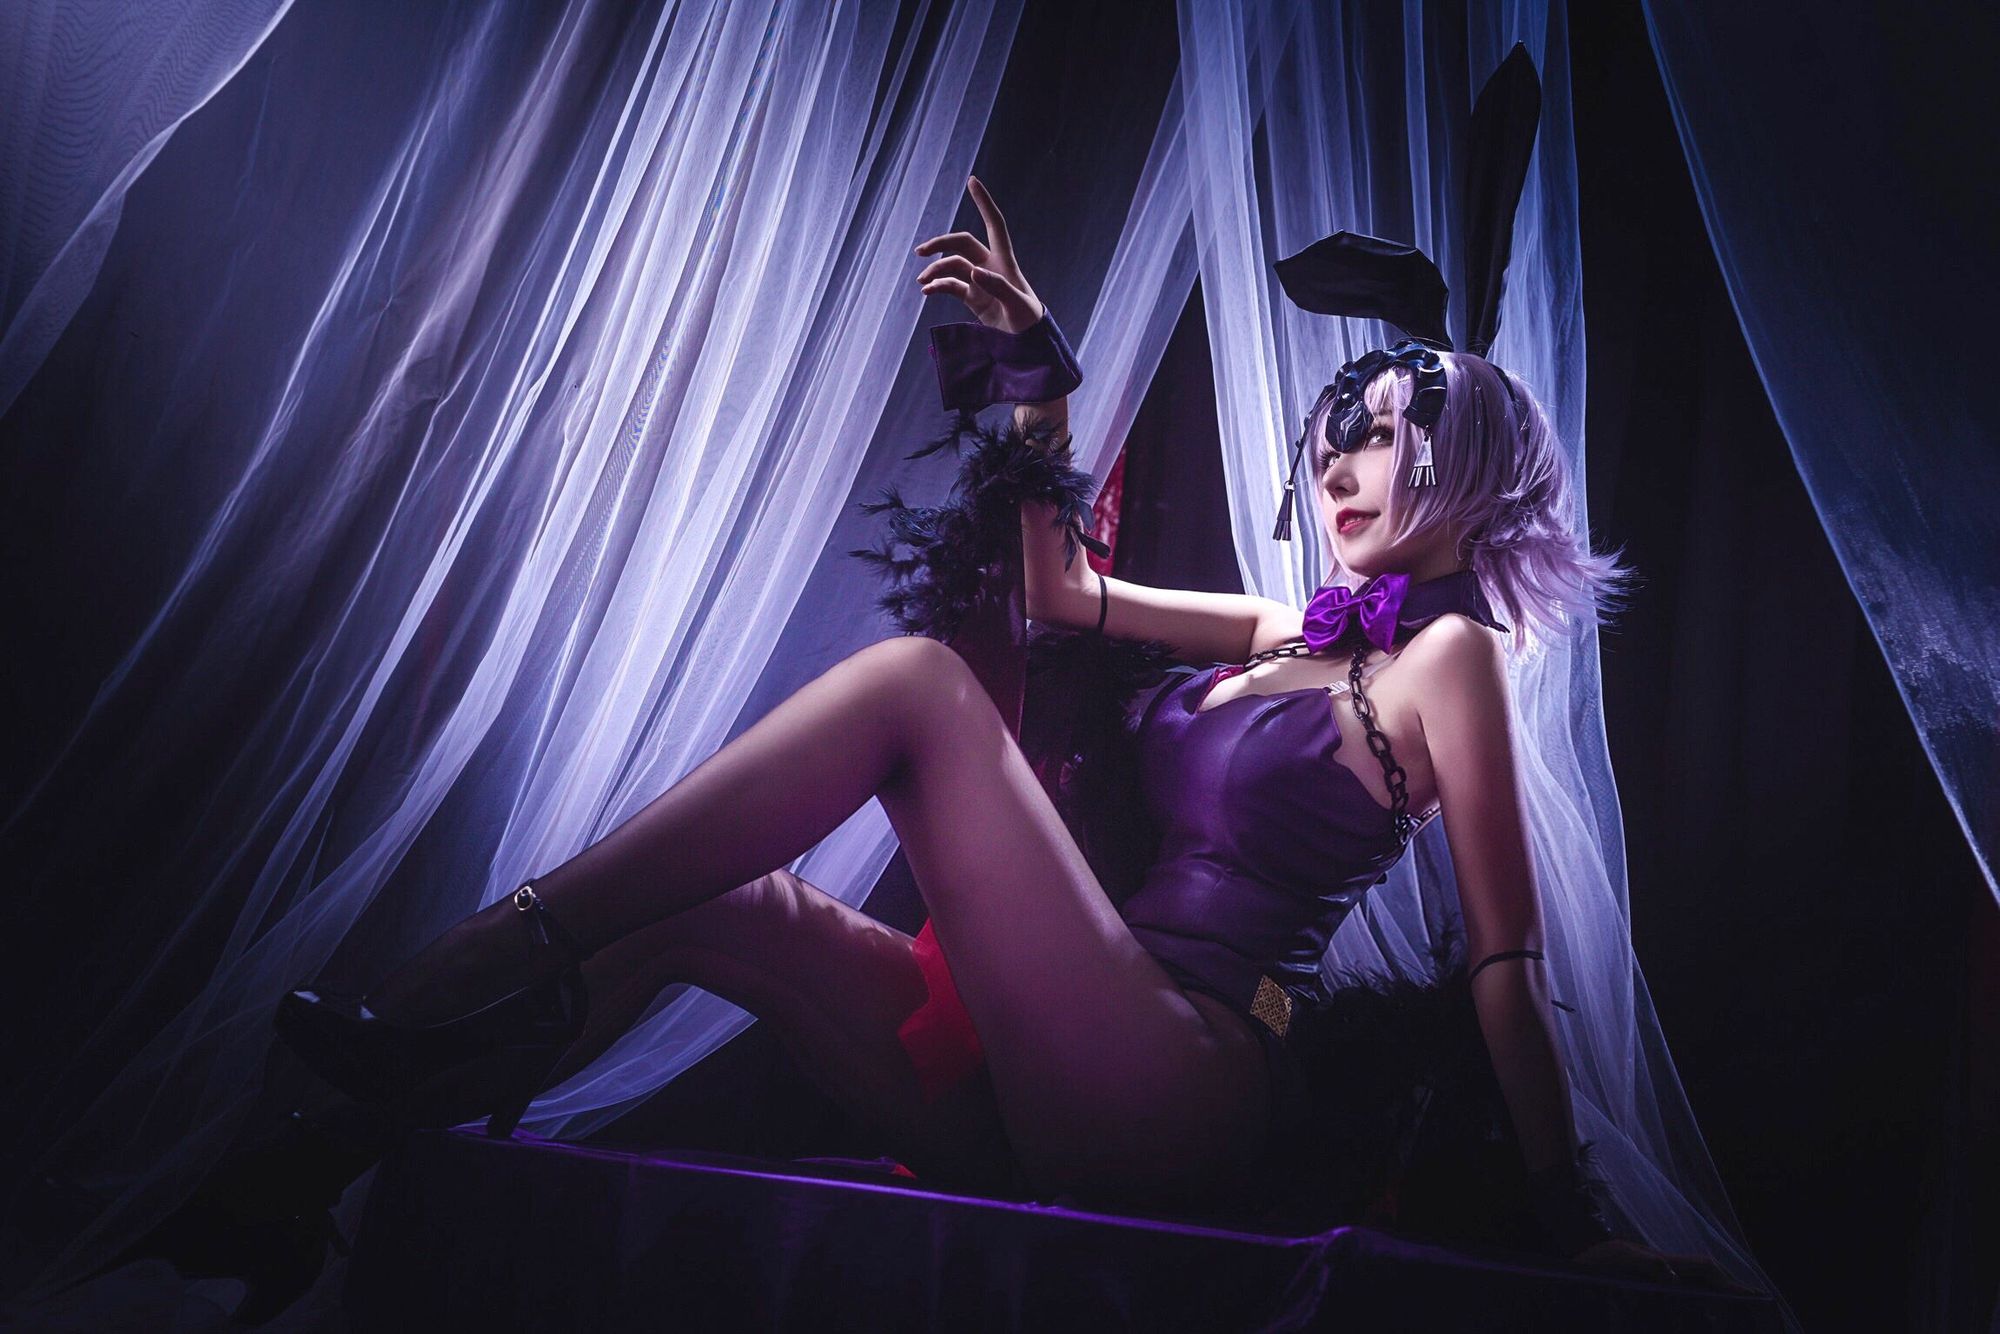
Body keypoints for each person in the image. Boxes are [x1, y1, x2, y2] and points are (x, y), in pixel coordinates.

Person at [271, 176, 1732, 1292]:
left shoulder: (1449, 659)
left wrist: (1574, 1220)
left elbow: (1505, 961)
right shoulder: (1288, 627)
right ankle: (322, 1158)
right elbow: (1061, 594)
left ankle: (485, 956)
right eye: (1335, 436)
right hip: (1051, 1059)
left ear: (1464, 468)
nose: (1341, 462)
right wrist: (1041, 383)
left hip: (1184, 1082)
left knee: (918, 686)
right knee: (726, 908)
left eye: (1387, 434)